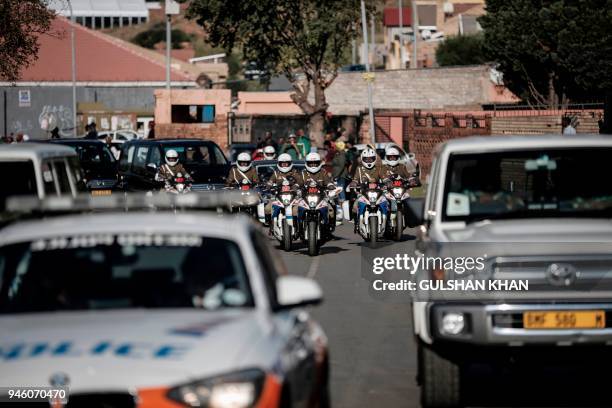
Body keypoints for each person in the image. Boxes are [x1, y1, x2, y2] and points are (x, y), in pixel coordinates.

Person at [349, 147, 389, 222]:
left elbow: (384, 177)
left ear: (374, 159)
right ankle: (356, 221)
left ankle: (388, 220)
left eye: (371, 159)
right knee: (355, 205)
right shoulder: (359, 169)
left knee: (386, 203)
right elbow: (355, 179)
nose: (368, 161)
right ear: (362, 159)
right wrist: (354, 183)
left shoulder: (379, 168)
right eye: (366, 159)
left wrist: (387, 181)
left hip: (377, 192)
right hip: (363, 192)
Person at [265, 153, 304, 229]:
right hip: (278, 197)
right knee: (267, 208)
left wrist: (296, 185)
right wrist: (269, 186)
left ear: (290, 164)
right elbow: (270, 181)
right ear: (279, 164)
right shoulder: (276, 173)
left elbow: (301, 181)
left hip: (293, 197)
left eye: (286, 164)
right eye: (282, 164)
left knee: (297, 210)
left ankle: (298, 226)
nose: (284, 165)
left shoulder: (294, 173)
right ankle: (271, 225)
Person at [300, 152, 336, 223]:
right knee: (295, 210)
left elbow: (328, 181)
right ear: (307, 163)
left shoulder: (323, 172)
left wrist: (330, 185)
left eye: (315, 162)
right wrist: (296, 186)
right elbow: (298, 183)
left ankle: (330, 225)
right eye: (311, 163)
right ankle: (297, 228)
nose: (313, 164)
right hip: (305, 198)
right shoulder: (303, 173)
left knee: (331, 208)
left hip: (321, 197)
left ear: (319, 163)